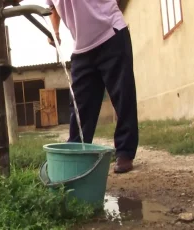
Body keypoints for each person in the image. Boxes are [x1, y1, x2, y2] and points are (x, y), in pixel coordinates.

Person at [45, 0, 139, 173]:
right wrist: (55, 30)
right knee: (80, 107)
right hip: (81, 48)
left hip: (110, 33)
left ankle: (125, 152)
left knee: (122, 96)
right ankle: (75, 154)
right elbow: (53, 7)